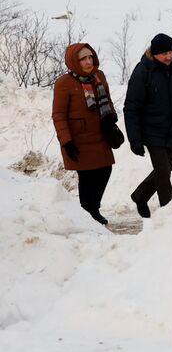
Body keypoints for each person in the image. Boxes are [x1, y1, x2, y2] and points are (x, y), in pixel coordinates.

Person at [124, 33, 172, 218]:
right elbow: (131, 107)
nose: (168, 57)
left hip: (171, 128)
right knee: (163, 172)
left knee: (168, 166)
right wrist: (134, 139)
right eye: (164, 53)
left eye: (171, 52)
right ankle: (169, 214)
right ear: (154, 53)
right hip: (151, 130)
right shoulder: (143, 71)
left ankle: (140, 195)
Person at [51, 43, 125, 227]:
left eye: (90, 57)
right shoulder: (64, 83)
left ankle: (93, 208)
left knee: (105, 170)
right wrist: (66, 141)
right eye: (83, 58)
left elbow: (107, 100)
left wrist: (111, 118)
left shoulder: (98, 77)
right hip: (78, 139)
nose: (88, 61)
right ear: (74, 61)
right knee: (87, 176)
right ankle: (88, 212)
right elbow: (58, 115)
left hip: (101, 135)